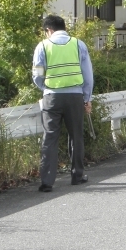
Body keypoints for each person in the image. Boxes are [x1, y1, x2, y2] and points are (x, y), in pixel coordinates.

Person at [33, 15, 94, 192]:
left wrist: (46, 87)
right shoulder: (78, 44)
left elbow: (37, 74)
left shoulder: (42, 46)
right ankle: (77, 176)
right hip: (75, 96)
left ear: (49, 30)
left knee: (49, 137)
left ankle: (47, 182)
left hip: (51, 97)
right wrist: (86, 98)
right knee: (76, 136)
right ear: (63, 27)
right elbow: (88, 76)